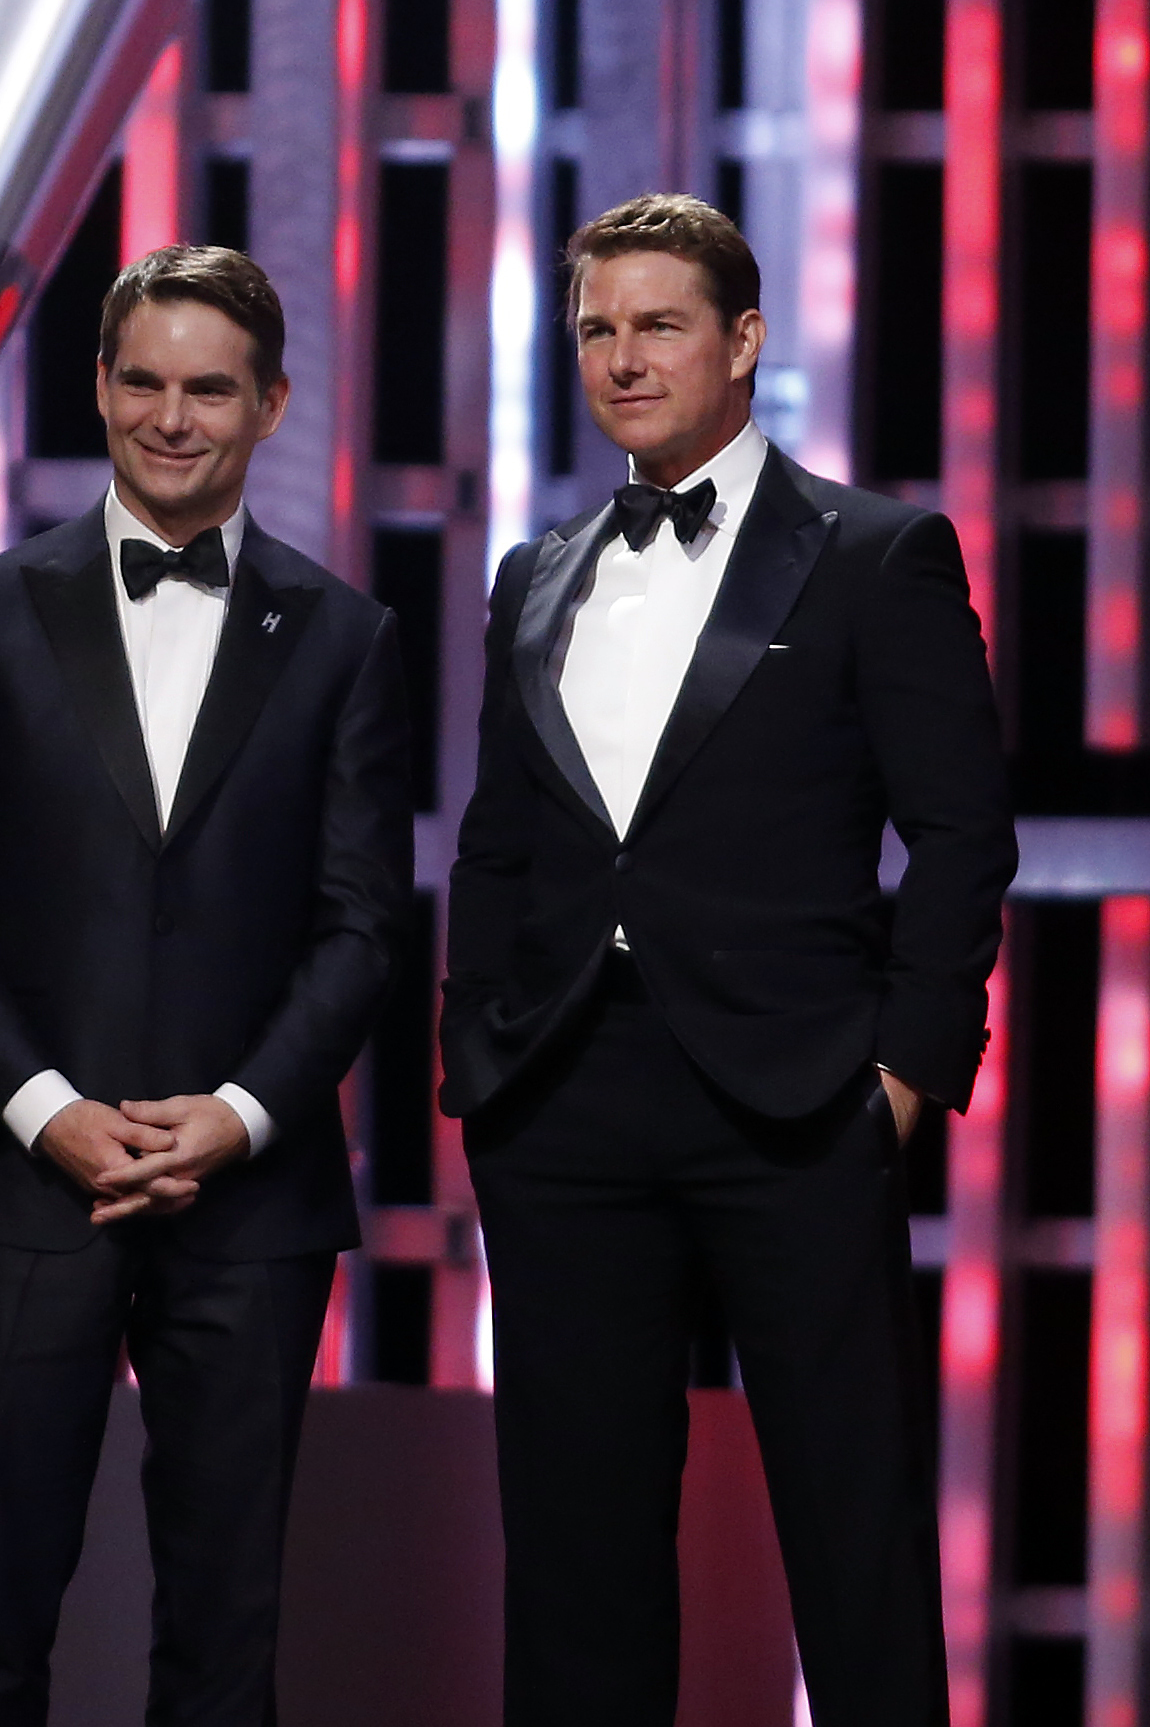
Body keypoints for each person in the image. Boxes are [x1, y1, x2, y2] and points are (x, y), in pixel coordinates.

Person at [441, 194, 1017, 1727]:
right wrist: (473, 1064)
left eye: (658, 324)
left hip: (797, 1097)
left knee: (851, 1524)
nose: (622, 358)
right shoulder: (536, 571)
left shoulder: (876, 553)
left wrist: (904, 1073)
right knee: (574, 1543)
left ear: (743, 341)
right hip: (560, 1092)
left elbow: (959, 835)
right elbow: (498, 841)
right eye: (596, 331)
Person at [0, 244, 413, 1726]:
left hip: (248, 1197)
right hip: (18, 1183)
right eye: (145, 383)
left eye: (210, 389)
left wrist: (237, 1116)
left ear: (270, 404)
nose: (173, 417)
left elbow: (364, 924)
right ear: (101, 388)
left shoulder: (347, 638)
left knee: (227, 1637)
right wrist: (50, 1112)